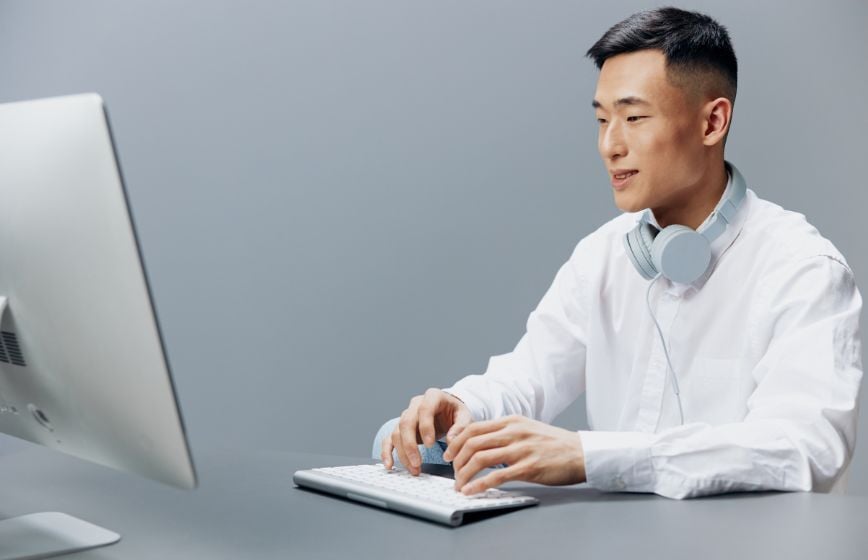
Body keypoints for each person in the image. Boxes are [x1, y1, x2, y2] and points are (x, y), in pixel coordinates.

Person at [372, 6, 863, 499]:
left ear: (712, 121)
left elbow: (804, 449)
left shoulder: (804, 270)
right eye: (603, 120)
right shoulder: (603, 254)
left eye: (633, 117)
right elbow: (528, 376)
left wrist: (590, 457)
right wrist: (464, 405)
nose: (609, 145)